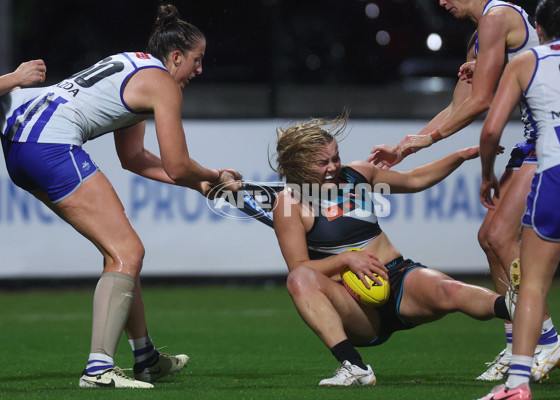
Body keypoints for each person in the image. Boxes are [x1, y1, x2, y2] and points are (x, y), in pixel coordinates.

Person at [0, 3, 241, 389]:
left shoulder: (134, 64)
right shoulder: (162, 83)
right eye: (197, 60)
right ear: (175, 56)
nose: (200, 70)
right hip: (48, 146)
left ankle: (145, 357)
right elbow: (177, 165)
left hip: (20, 146)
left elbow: (133, 159)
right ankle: (98, 369)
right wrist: (212, 175)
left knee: (119, 248)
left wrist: (199, 183)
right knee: (127, 252)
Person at [367, 0, 560, 382]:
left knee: (500, 236)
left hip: (553, 139)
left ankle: (546, 337)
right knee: (489, 237)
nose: (442, 3)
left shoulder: (497, 17)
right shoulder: (480, 35)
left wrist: (425, 140)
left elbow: (481, 101)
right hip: (534, 140)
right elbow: (458, 104)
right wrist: (407, 144)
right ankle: (517, 346)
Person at [271, 114, 516, 386]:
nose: (332, 167)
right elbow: (300, 267)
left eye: (335, 158)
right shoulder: (289, 204)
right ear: (299, 165)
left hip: (399, 279)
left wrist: (460, 155)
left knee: (451, 290)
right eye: (322, 162)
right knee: (299, 279)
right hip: (356, 306)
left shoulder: (357, 174)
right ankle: (355, 367)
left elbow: (414, 180)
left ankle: (535, 323)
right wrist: (346, 260)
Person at [477, 0, 560, 398]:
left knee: (532, 282)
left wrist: (486, 176)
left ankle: (517, 384)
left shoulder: (526, 60)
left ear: (537, 27)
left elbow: (491, 132)